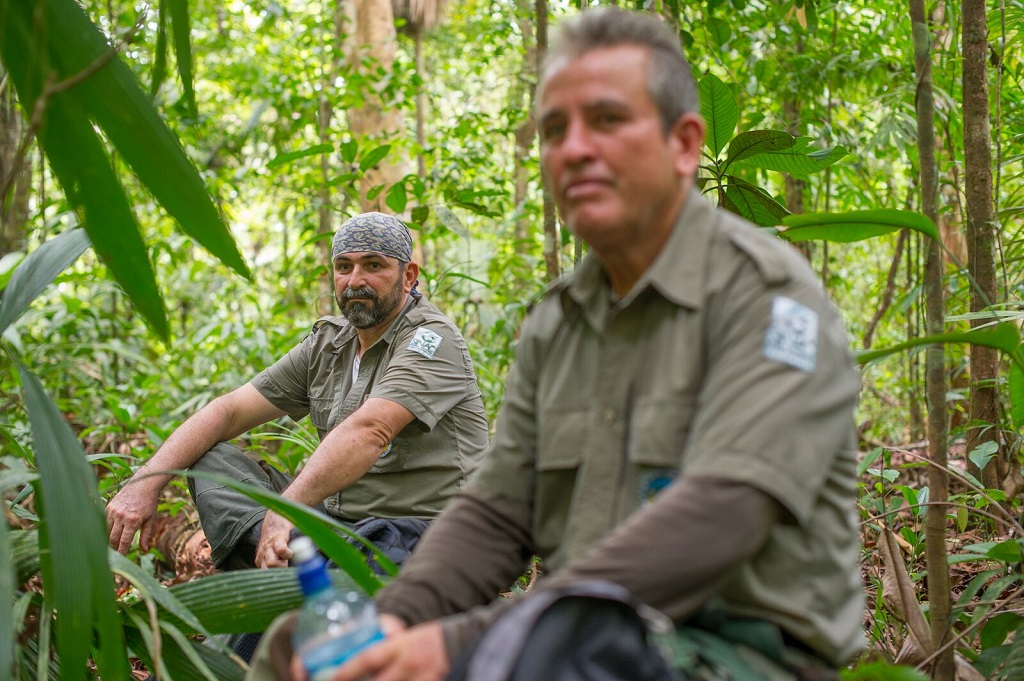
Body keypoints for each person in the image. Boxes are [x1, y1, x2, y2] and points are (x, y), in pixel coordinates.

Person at [258, 7, 865, 680]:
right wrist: (395, 623)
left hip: (733, 650)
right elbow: (497, 510)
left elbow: (723, 516)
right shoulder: (560, 320)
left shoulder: (770, 300)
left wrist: (475, 639)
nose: (573, 148)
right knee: (305, 648)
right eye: (554, 129)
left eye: (607, 120)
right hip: (577, 638)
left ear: (685, 145)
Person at [105, 211, 490, 572]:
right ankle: (293, 562)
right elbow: (229, 411)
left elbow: (370, 431)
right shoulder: (329, 342)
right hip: (337, 525)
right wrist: (143, 485)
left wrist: (286, 509)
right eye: (344, 267)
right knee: (213, 462)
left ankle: (297, 567)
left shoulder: (430, 339)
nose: (355, 281)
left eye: (373, 266)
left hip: (424, 529)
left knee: (382, 544)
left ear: (408, 276)